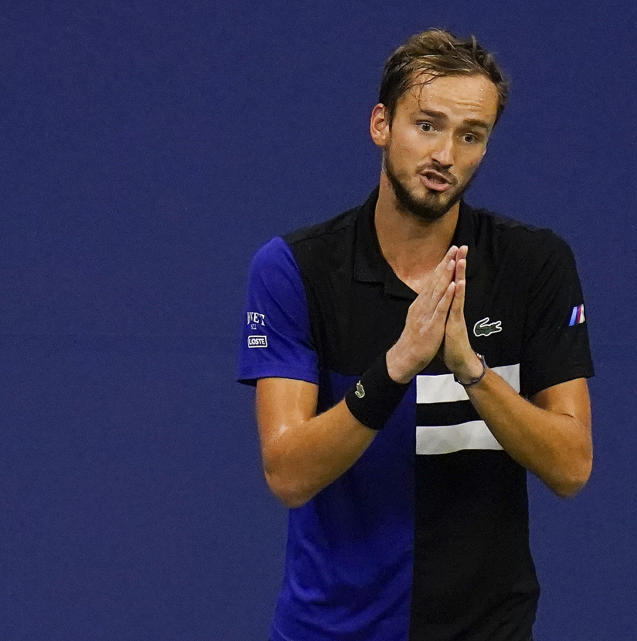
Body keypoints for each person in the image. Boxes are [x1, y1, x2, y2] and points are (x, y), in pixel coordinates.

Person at [238, 28, 593, 641]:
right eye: (427, 125)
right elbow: (288, 474)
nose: (446, 155)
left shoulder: (535, 265)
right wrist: (397, 367)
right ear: (381, 124)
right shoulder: (294, 268)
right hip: (330, 630)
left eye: (470, 135)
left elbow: (571, 466)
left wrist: (472, 371)